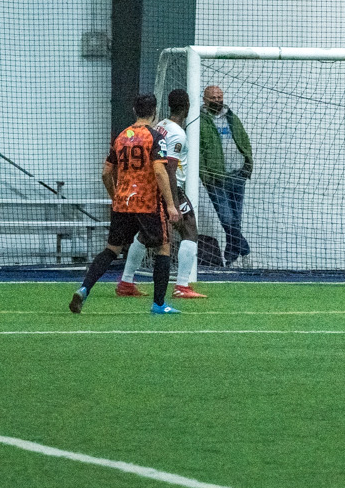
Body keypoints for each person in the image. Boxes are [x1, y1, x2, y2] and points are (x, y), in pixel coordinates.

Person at [71, 93, 181, 315]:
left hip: (123, 203)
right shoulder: (155, 137)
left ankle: (84, 288)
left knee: (111, 249)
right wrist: (170, 205)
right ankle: (159, 304)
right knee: (163, 247)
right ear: (154, 112)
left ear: (134, 110)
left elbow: (106, 173)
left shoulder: (121, 137)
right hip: (147, 203)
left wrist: (116, 197)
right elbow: (159, 171)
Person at [121, 88, 208, 299]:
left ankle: (126, 282)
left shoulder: (161, 125)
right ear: (187, 107)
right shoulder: (178, 133)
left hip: (151, 187)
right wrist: (173, 203)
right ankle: (182, 286)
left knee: (146, 235)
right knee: (189, 230)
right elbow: (169, 168)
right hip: (169, 187)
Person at [199, 84, 253, 265]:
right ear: (205, 99)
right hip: (216, 178)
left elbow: (243, 139)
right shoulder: (199, 121)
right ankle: (244, 251)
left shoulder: (231, 117)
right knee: (226, 218)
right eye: (213, 98)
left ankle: (232, 256)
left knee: (235, 219)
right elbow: (197, 152)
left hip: (238, 175)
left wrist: (247, 164)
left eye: (219, 97)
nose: (217, 100)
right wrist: (205, 176)